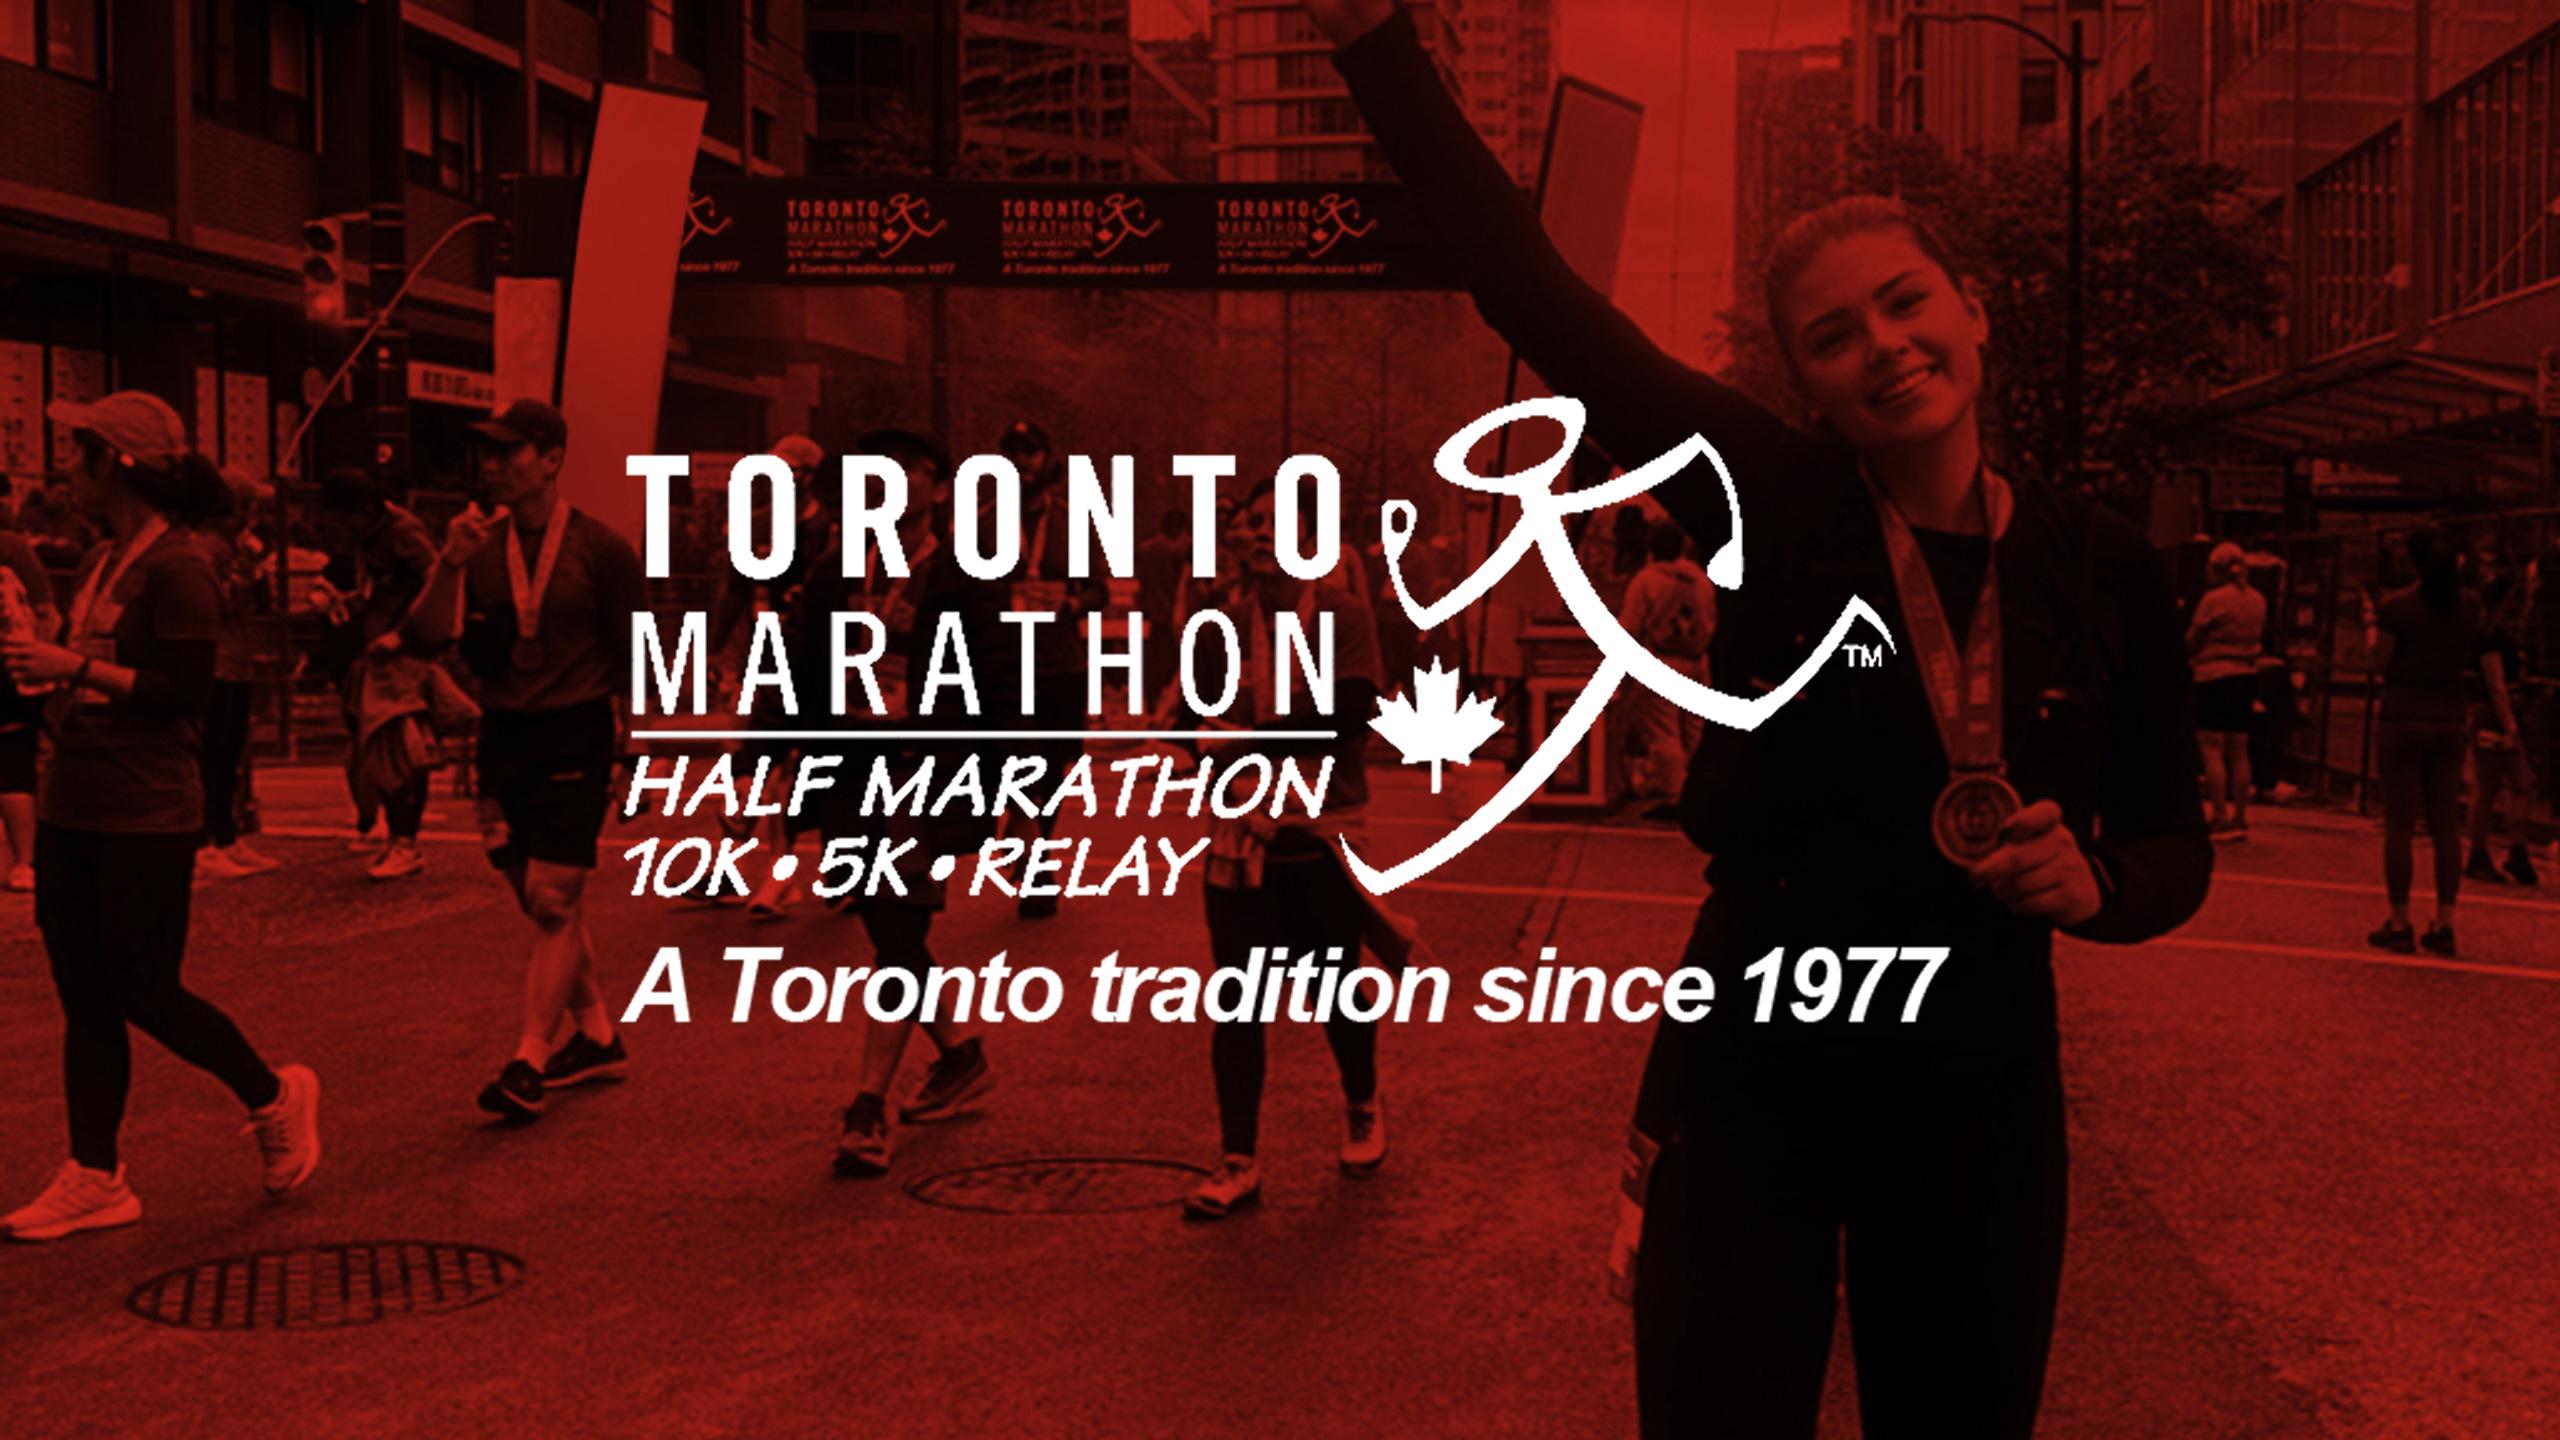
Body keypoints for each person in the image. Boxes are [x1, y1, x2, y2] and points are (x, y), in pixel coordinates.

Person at [1308, 3, 2213, 1431]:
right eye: (1835, 337)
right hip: (1751, 1070)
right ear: (1806, 386)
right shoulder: (1776, 504)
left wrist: (2100, 885)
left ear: (1971, 306)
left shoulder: (2105, 565)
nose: (1888, 347)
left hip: (1976, 1090)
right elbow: (1535, 296)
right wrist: (1374, 43)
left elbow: (2175, 844)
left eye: (1908, 302)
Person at [0, 394, 319, 1242]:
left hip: (146, 808)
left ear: (117, 465)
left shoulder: (179, 565)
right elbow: (97, 668)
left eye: (79, 453)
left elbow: (186, 696)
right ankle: (96, 1174)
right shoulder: (107, 556)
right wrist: (51, 680)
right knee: (84, 996)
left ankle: (272, 1094)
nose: (66, 470)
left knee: (143, 986)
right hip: (76, 801)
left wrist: (69, 665)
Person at [405, 399, 645, 1121]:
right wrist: (447, 563)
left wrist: (633, 748)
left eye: (510, 453)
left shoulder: (602, 550)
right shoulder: (475, 549)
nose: (493, 466)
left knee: (552, 900)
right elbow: (423, 637)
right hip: (503, 735)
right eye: (487, 455)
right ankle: (598, 1036)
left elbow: (632, 653)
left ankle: (528, 1060)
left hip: (577, 730)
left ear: (551, 458)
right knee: (536, 901)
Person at [1178, 479, 1391, 1219]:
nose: (1257, 534)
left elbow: (1348, 720)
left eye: (1274, 523)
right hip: (1239, 826)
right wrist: (1216, 762)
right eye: (1248, 524)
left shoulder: (1346, 614)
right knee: (1236, 996)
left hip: (1322, 825)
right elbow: (1193, 723)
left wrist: (1248, 746)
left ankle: (1362, 1101)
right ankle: (1238, 1159)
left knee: (1332, 982)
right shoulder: (1218, 625)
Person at [828, 427, 1000, 1176]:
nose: (890, 484)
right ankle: (961, 1055)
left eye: (908, 472)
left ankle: (868, 1106)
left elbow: (997, 687)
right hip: (854, 762)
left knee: (897, 926)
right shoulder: (843, 567)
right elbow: (809, 665)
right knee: (880, 919)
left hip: (927, 767)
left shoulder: (965, 575)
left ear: (936, 487)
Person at [994, 420, 1110, 920]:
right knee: (1015, 760)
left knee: (1055, 762)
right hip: (1004, 662)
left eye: (1031, 452)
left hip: (1061, 662)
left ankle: (1037, 854)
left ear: (1048, 461)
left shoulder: (1075, 523)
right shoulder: (982, 525)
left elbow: (1100, 590)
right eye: (1013, 452)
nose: (1023, 461)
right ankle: (1027, 841)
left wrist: (1072, 600)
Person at [2364, 529, 2482, 956]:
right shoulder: (2469, 606)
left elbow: (2380, 665)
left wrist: (2369, 629)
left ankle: (2400, 921)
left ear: (2413, 565)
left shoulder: (2397, 609)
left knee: (2399, 824)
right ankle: (2445, 920)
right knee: (2445, 825)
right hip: (2450, 716)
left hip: (2403, 715)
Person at [314, 469, 438, 873]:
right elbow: (381, 591)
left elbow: (437, 581)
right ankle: (395, 836)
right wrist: (351, 603)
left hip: (403, 653)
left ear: (362, 509)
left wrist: (403, 635)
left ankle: (406, 840)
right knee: (379, 747)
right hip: (378, 650)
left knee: (401, 747)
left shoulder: (402, 530)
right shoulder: (366, 536)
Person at [193, 462, 283, 879]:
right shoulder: (208, 547)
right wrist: (247, 574)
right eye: (250, 507)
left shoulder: (234, 546)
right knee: (212, 755)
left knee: (229, 755)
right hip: (216, 664)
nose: (255, 516)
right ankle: (204, 840)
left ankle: (227, 836)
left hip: (237, 660)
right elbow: (217, 603)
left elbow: (258, 605)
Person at [1611, 519, 1714, 817]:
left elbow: (1628, 627)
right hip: (1697, 661)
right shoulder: (1700, 579)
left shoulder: (1647, 580)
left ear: (1650, 548)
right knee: (1695, 732)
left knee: (1664, 730)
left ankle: (1676, 798)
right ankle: (1700, 793)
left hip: (1663, 661)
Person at [2186, 541, 2267, 841]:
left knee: (2211, 747)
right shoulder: (2257, 600)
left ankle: (2219, 815)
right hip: (2246, 675)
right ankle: (2241, 816)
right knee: (2239, 748)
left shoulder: (2213, 600)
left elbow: (2193, 638)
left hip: (2212, 675)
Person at [2464, 565, 2536, 886]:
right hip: (2493, 715)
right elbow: (2495, 684)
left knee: (2505, 785)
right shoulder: (2491, 636)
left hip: (2494, 713)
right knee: (2498, 785)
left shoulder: (2496, 632)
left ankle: (2509, 852)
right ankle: (2487, 853)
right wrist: (2510, 727)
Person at [0, 502, 58, 892]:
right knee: (15, 757)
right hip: (17, 665)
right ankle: (28, 860)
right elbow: (48, 612)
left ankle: (27, 860)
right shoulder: (13, 549)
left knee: (14, 758)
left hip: (11, 668)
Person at [1135, 504, 1190, 713]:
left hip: (1150, 619)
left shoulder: (1145, 550)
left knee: (1152, 673)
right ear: (1183, 531)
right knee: (1171, 674)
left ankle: (1152, 709)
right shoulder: (1176, 554)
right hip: (1172, 620)